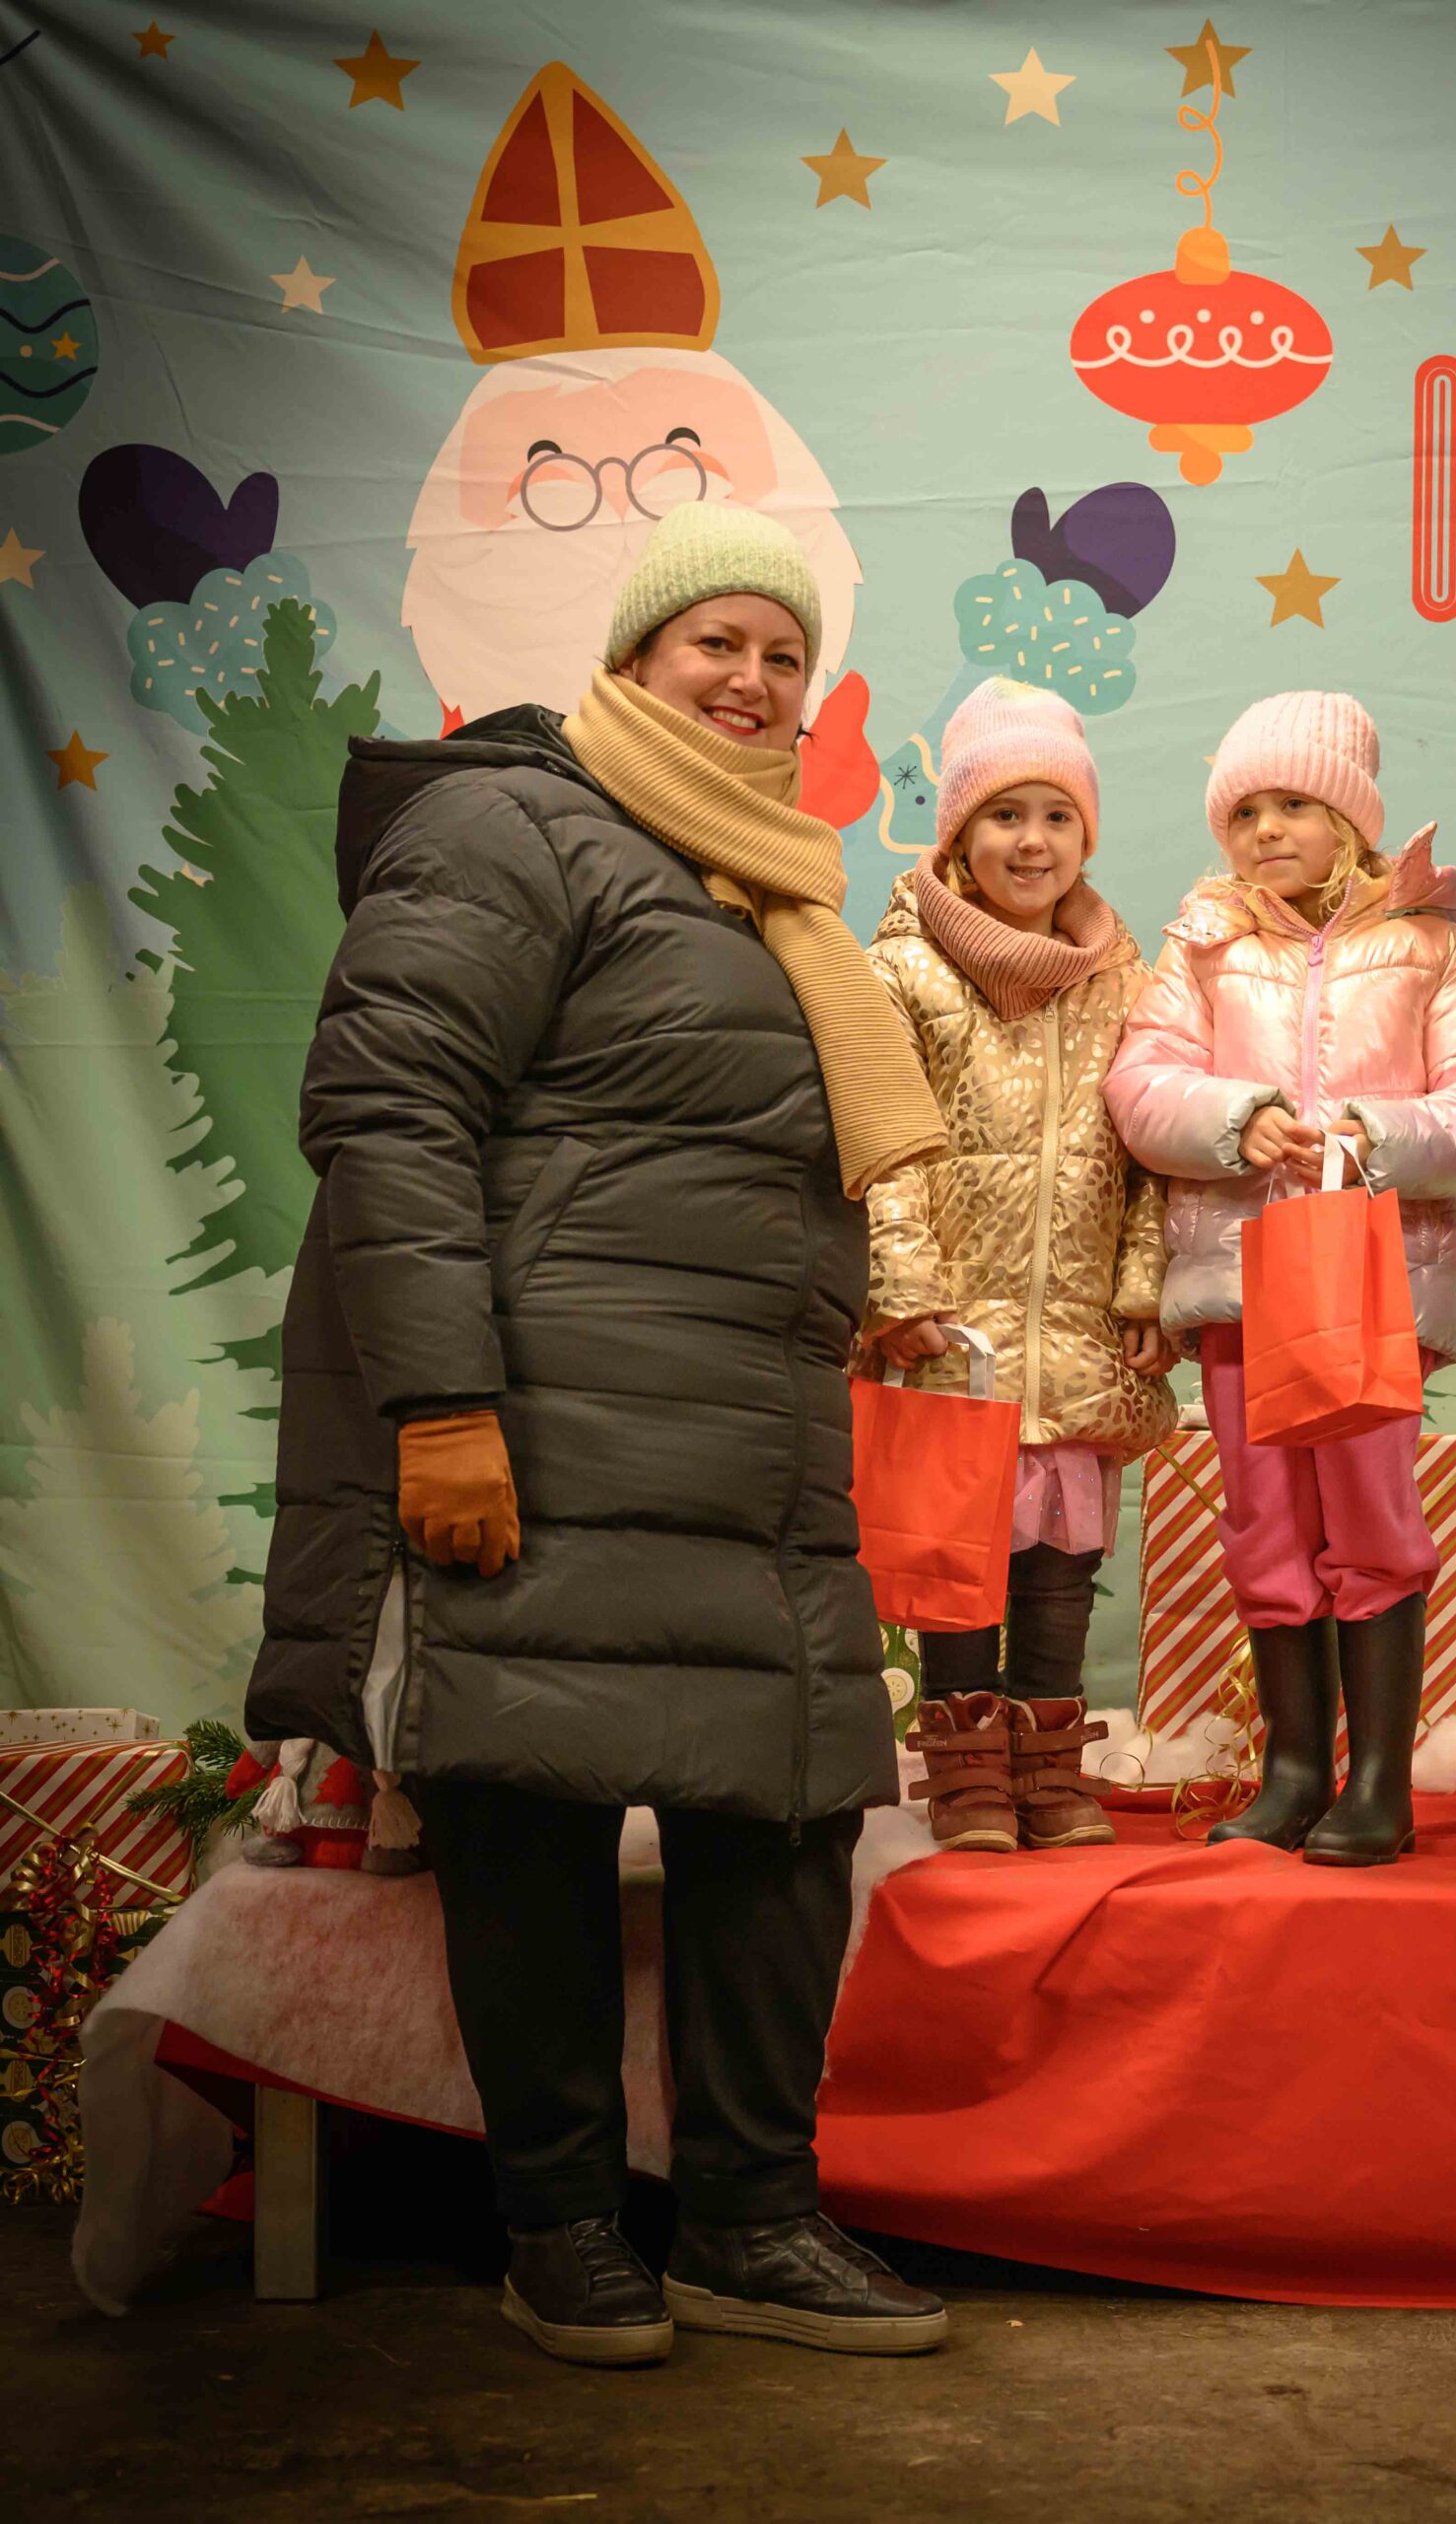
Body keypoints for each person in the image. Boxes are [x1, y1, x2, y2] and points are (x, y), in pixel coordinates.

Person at [243, 501, 955, 2368]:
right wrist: (442, 1406)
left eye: (784, 655)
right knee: (533, 1807)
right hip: (548, 1431)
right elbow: (389, 1112)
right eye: (716, 641)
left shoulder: (765, 880)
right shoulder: (514, 824)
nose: (753, 680)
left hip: (753, 1451)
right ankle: (559, 2226)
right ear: (633, 656)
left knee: (786, 1816)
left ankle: (751, 2223)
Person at [1106, 693, 1456, 1865]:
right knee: (1263, 1517)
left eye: (1293, 803)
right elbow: (1140, 1085)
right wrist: (1233, 1118)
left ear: (1349, 818)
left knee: (1368, 1513)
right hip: (1241, 1283)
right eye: (1244, 810)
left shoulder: (1434, 949)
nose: (1265, 829)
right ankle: (1294, 1768)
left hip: (1367, 1284)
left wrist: (1377, 1132)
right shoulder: (1202, 948)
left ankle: (1379, 1782)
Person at [862, 677, 1178, 1853]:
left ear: (1084, 834)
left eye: (1056, 816)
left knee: (1059, 1564)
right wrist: (901, 1285)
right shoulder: (902, 972)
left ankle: (1049, 1770)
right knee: (961, 1560)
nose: (1031, 841)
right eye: (1003, 815)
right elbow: (881, 1140)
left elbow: (1150, 1157)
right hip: (957, 1331)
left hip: (1078, 1328)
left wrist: (1144, 1283)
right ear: (958, 833)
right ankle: (967, 1777)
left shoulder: (1125, 980)